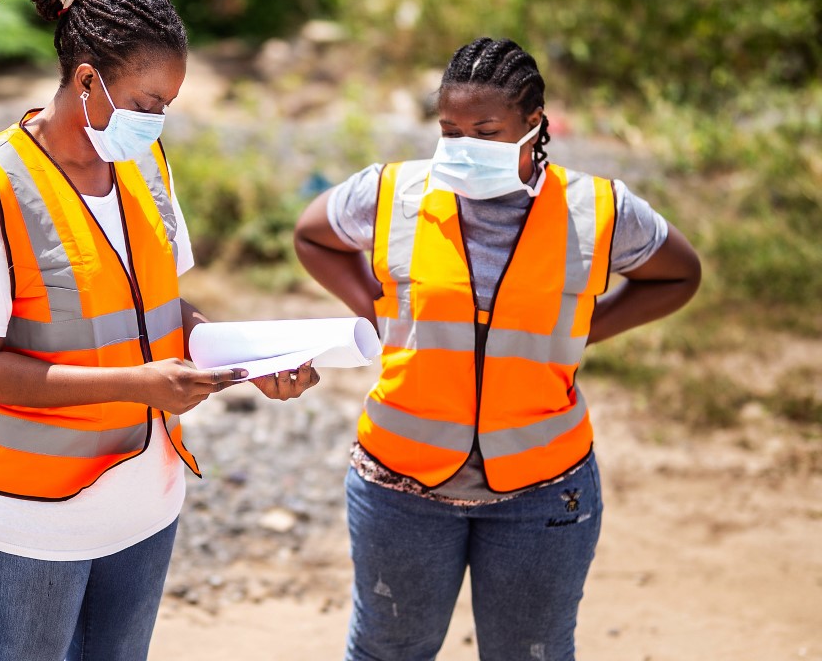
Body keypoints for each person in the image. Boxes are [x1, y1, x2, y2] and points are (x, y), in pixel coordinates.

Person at [0, 0, 319, 661]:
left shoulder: (141, 162)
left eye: (166, 104)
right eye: (147, 103)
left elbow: (164, 312)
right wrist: (140, 383)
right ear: (85, 81)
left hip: (145, 506)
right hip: (29, 522)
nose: (158, 121)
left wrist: (245, 359)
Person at [294, 37, 701, 661]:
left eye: (485, 130)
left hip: (542, 492)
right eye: (449, 129)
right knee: (387, 651)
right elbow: (313, 236)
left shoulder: (596, 210)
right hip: (399, 486)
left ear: (531, 125)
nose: (462, 146)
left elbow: (679, 274)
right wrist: (373, 304)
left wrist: (592, 327)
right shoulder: (393, 194)